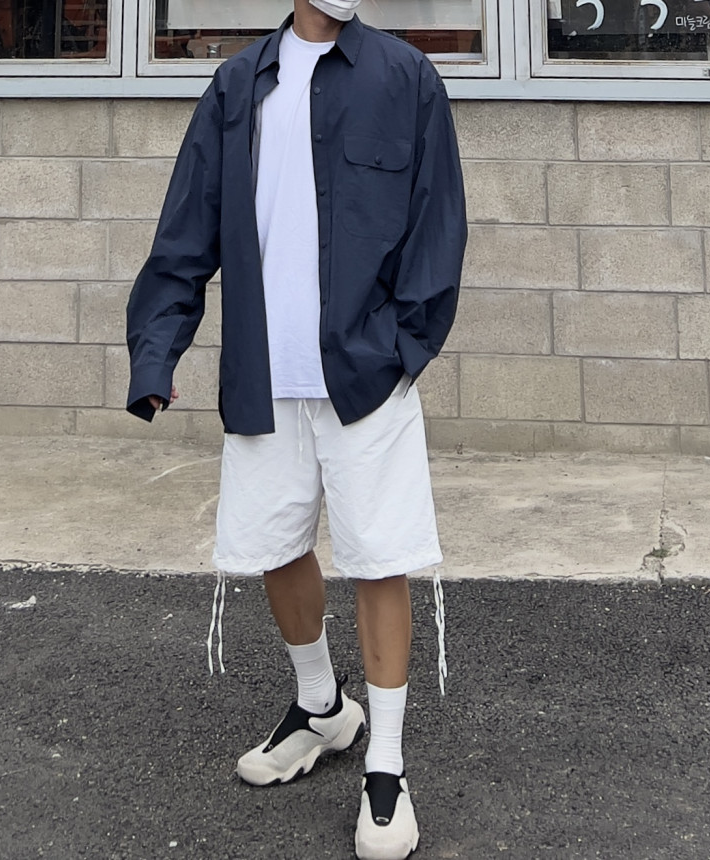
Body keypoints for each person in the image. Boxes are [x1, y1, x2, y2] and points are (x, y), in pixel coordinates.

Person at [125, 1, 466, 857]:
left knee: (378, 556)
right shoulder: (238, 86)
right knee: (275, 546)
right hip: (264, 372)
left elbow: (438, 225)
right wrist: (157, 351)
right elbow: (186, 229)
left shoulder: (406, 78)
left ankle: (385, 765)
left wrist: (402, 349)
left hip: (366, 376)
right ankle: (321, 707)